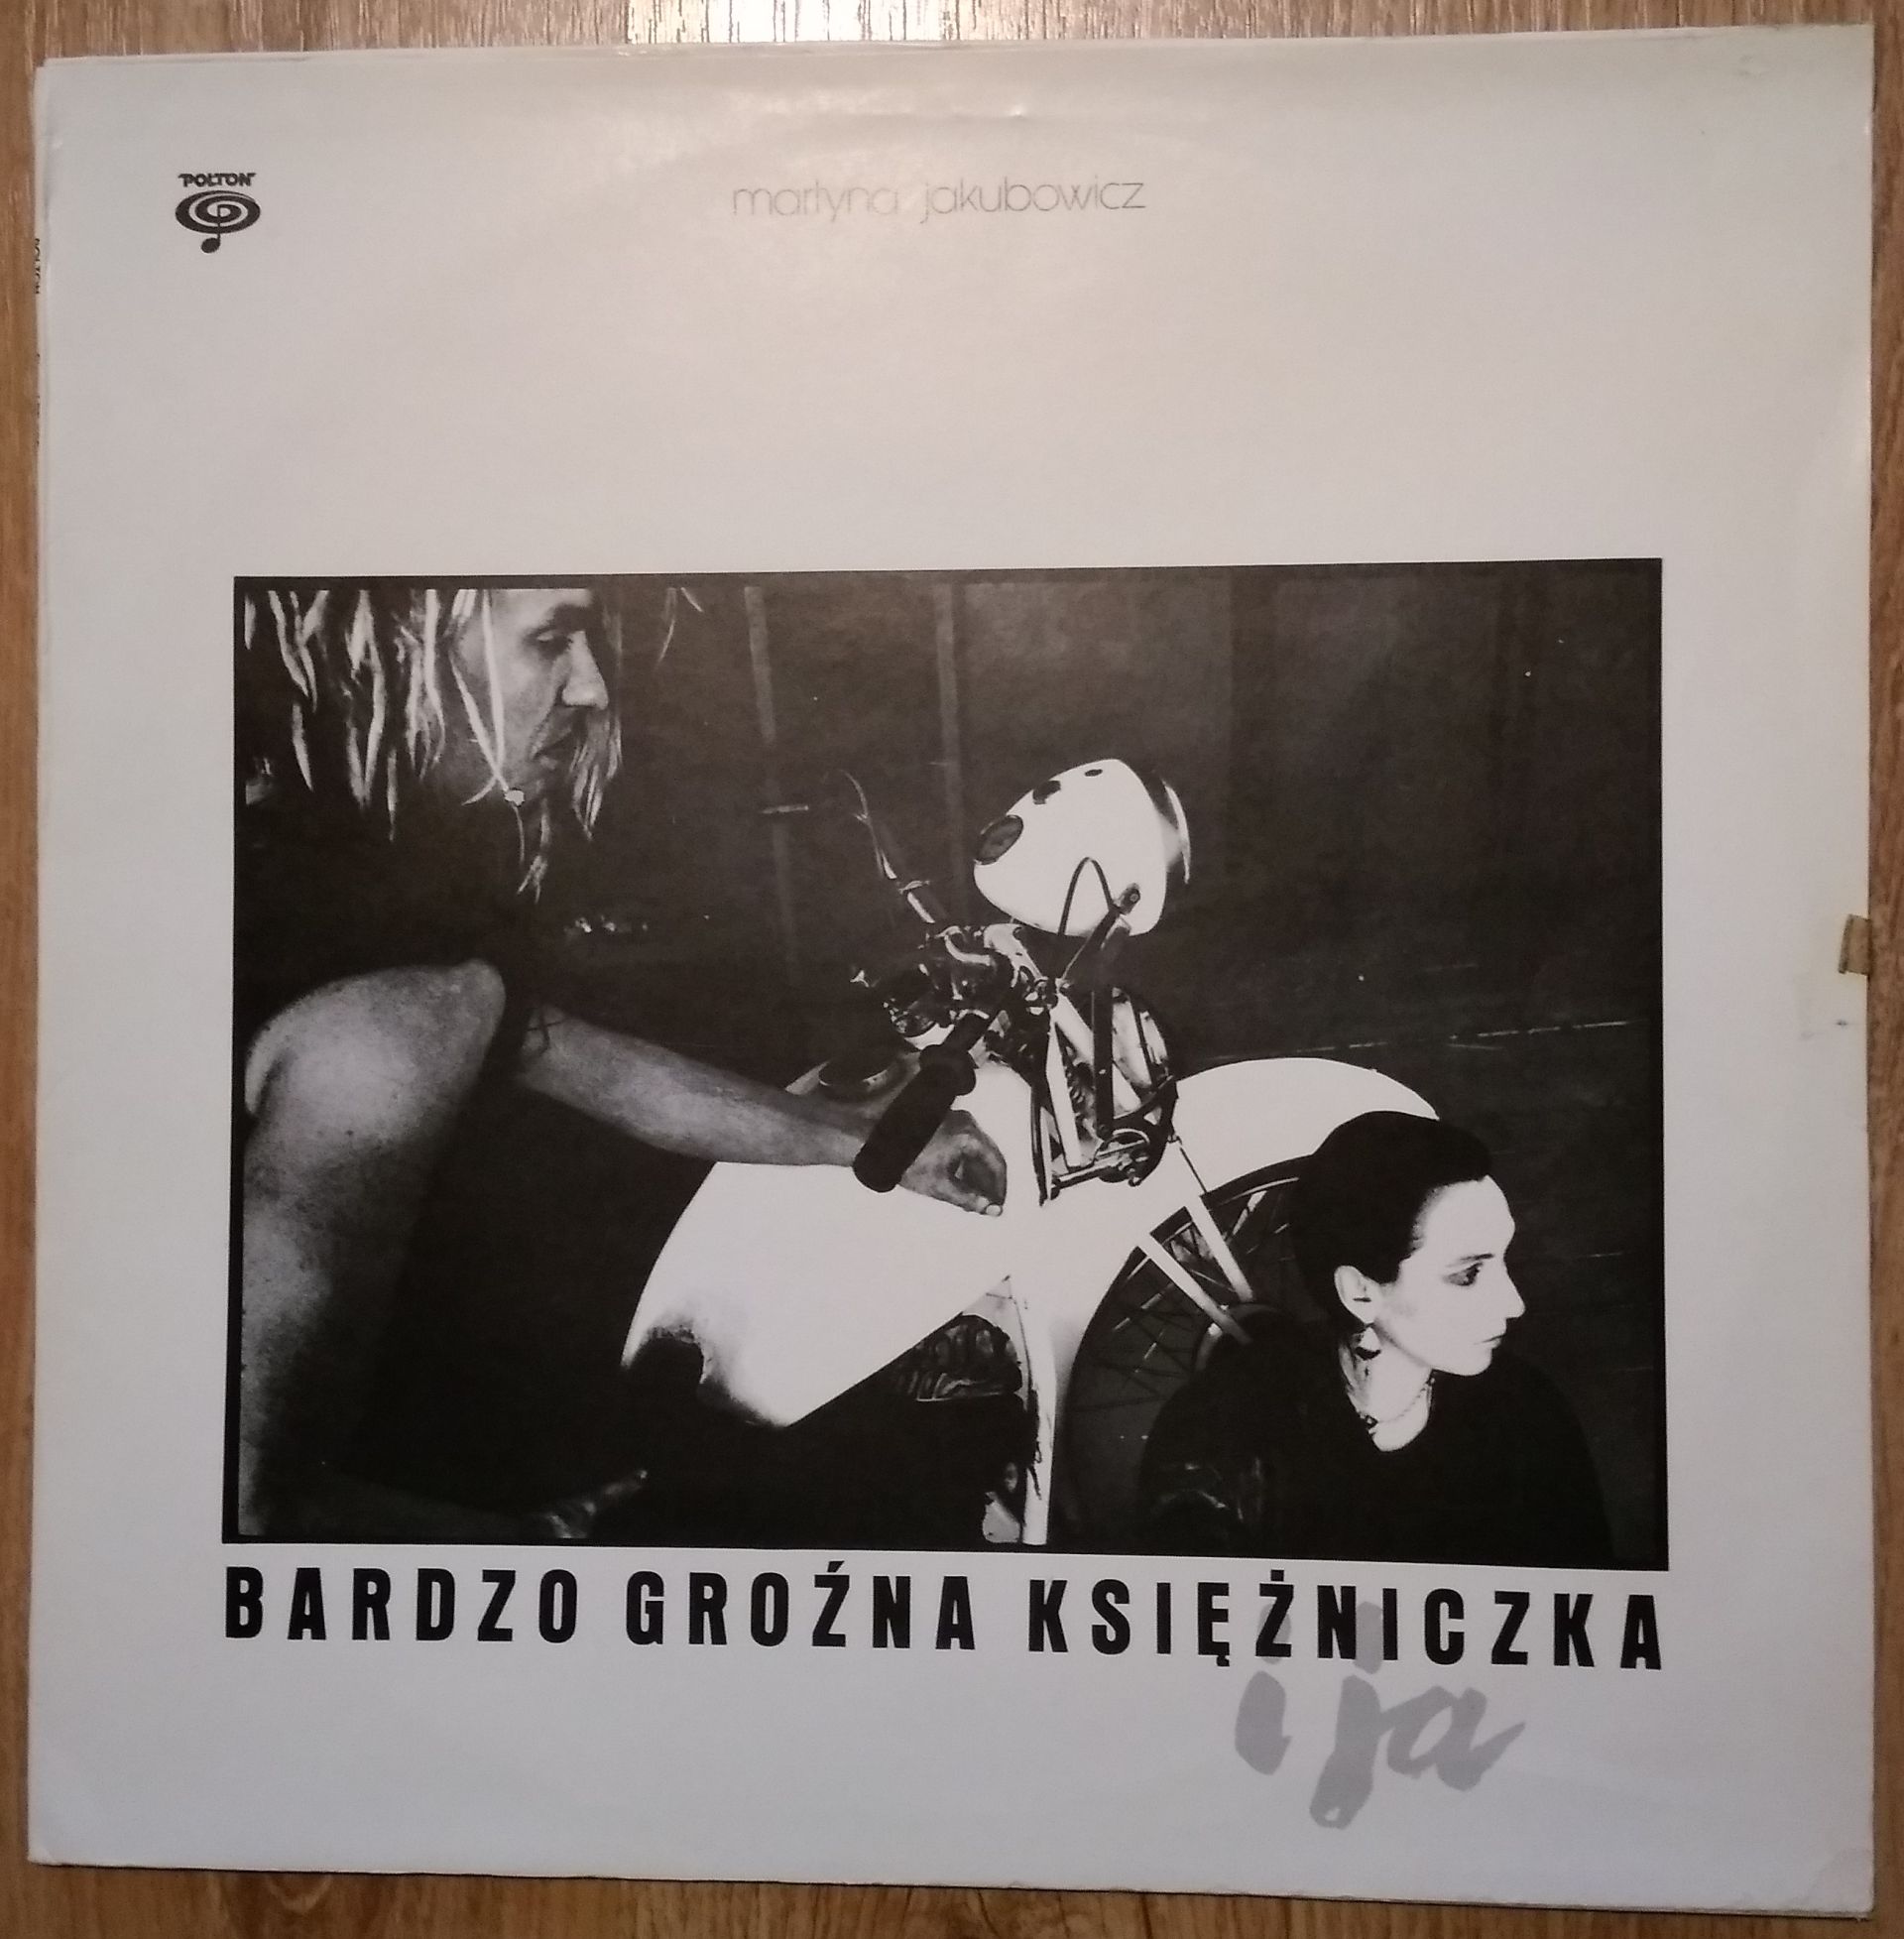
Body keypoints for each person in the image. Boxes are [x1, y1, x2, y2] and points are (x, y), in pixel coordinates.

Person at [235, 583, 1006, 1538]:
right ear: (395, 653)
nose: (592, 689)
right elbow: (260, 1500)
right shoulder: (393, 1016)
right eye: (550, 639)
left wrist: (868, 1139)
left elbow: (577, 1058)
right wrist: (541, 1551)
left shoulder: (329, 870)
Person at [1139, 1110, 1611, 1565]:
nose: (1514, 1304)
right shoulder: (1219, 1441)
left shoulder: (1526, 1413)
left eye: (1503, 1260)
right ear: (1361, 1293)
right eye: (1468, 1274)